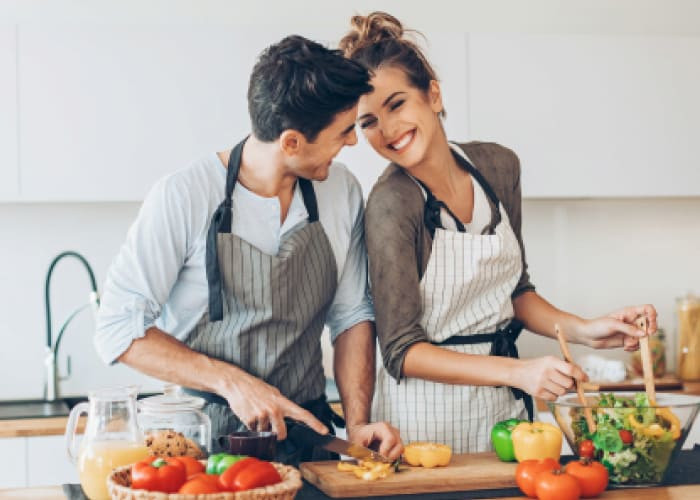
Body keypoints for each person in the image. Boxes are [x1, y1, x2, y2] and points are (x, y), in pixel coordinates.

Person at [339, 13, 658, 453]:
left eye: (396, 104)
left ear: (432, 92)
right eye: (368, 121)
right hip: (424, 424)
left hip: (506, 416)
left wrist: (585, 330)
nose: (387, 130)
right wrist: (518, 372)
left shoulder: (498, 167)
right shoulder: (392, 204)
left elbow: (516, 293)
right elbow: (400, 351)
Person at [94, 35, 403, 464]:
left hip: (306, 439)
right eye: (343, 132)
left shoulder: (341, 190)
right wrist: (233, 383)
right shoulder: (184, 196)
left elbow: (351, 316)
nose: (352, 142)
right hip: (203, 446)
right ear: (291, 142)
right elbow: (117, 329)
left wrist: (356, 425)